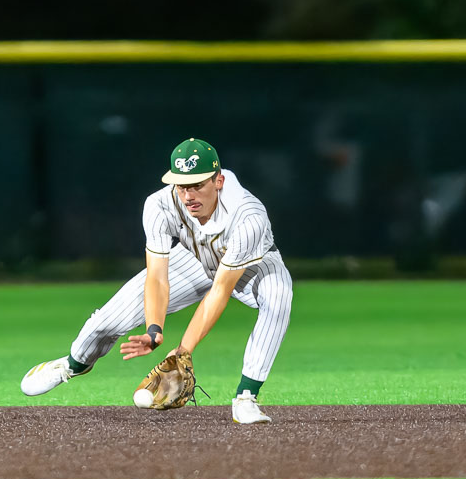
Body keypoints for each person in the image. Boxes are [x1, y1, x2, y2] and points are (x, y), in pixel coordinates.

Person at [20, 138, 293, 424]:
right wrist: (154, 330)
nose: (188, 195)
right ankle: (73, 364)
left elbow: (220, 290)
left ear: (219, 181)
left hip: (253, 264)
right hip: (193, 258)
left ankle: (246, 397)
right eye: (182, 185)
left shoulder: (248, 217)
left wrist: (183, 351)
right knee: (107, 322)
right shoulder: (160, 205)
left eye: (197, 185)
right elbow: (157, 276)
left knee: (278, 296)